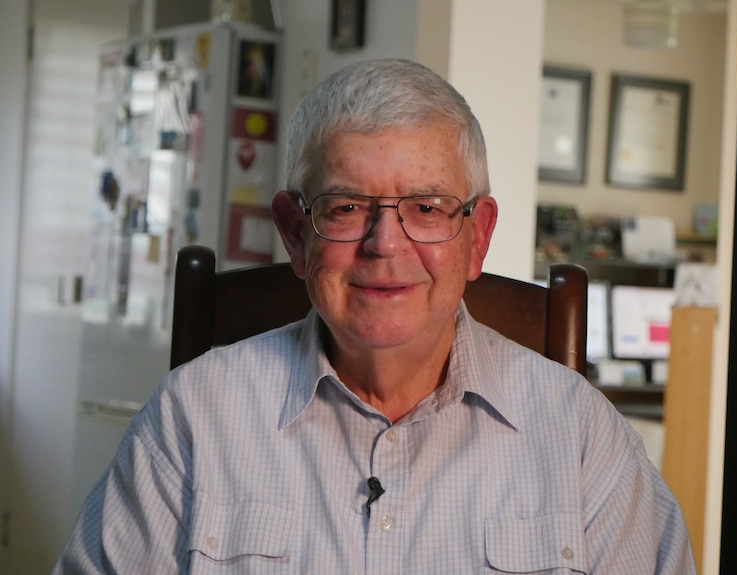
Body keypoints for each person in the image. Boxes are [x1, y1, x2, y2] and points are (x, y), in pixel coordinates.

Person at [54, 58, 695, 574]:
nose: (385, 244)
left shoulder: (581, 438)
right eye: (345, 207)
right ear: (293, 234)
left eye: (428, 207)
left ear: (479, 238)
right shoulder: (193, 418)